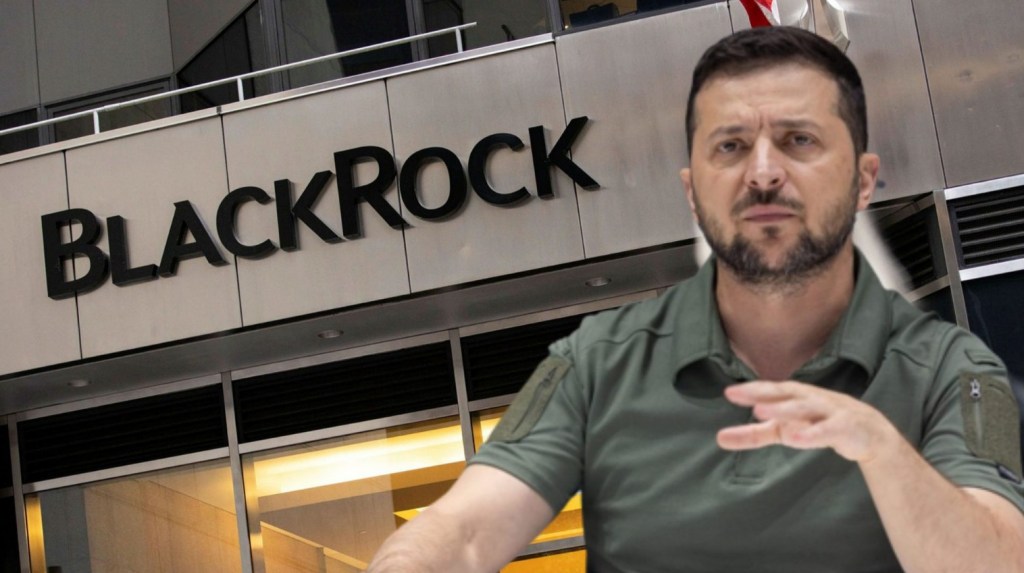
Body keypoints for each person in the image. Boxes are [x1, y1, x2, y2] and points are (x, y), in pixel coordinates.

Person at [367, 26, 1024, 572]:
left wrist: (881, 448)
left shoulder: (954, 369)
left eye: (798, 140)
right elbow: (464, 532)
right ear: (691, 190)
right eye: (730, 146)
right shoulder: (595, 365)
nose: (762, 173)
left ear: (863, 179)